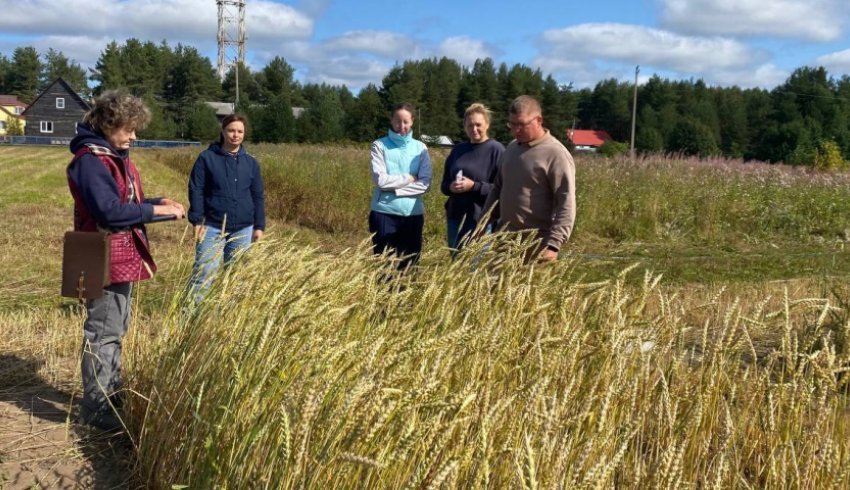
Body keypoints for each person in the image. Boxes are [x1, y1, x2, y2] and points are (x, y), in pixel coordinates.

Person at [67, 90, 185, 431]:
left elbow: (122, 200)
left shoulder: (110, 154)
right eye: (128, 128)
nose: (134, 136)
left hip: (116, 254)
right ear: (107, 123)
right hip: (101, 254)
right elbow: (109, 211)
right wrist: (155, 211)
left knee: (115, 328)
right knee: (103, 332)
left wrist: (158, 202)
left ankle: (110, 394)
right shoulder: (91, 160)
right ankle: (98, 410)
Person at [483, 95, 576, 262]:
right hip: (504, 239)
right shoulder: (511, 148)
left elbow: (566, 202)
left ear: (539, 120)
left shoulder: (555, 154)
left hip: (537, 244)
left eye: (521, 124)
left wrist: (553, 245)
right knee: (497, 288)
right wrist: (483, 222)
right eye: (512, 124)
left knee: (529, 289)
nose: (516, 130)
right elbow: (497, 188)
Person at [187, 114, 265, 299]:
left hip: (243, 229)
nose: (235, 135)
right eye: (231, 130)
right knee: (204, 275)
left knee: (236, 276)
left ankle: (229, 322)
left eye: (240, 131)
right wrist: (197, 220)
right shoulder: (206, 158)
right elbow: (196, 189)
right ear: (223, 132)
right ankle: (192, 319)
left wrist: (259, 225)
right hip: (211, 227)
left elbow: (258, 195)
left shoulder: (251, 163)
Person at [369, 103, 432, 270]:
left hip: (413, 214)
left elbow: (425, 184)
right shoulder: (379, 146)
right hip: (384, 213)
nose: (401, 126)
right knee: (384, 266)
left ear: (412, 122)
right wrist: (410, 178)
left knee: (409, 266)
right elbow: (380, 181)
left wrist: (396, 189)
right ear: (391, 120)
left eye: (406, 121)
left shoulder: (421, 148)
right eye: (397, 121)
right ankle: (382, 297)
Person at [440, 103, 504, 254]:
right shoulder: (458, 150)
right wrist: (451, 187)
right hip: (455, 216)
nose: (474, 129)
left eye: (478, 125)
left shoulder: (497, 150)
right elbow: (444, 185)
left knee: (474, 265)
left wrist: (474, 186)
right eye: (470, 125)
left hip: (481, 219)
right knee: (455, 261)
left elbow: (502, 188)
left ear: (487, 124)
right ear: (465, 126)